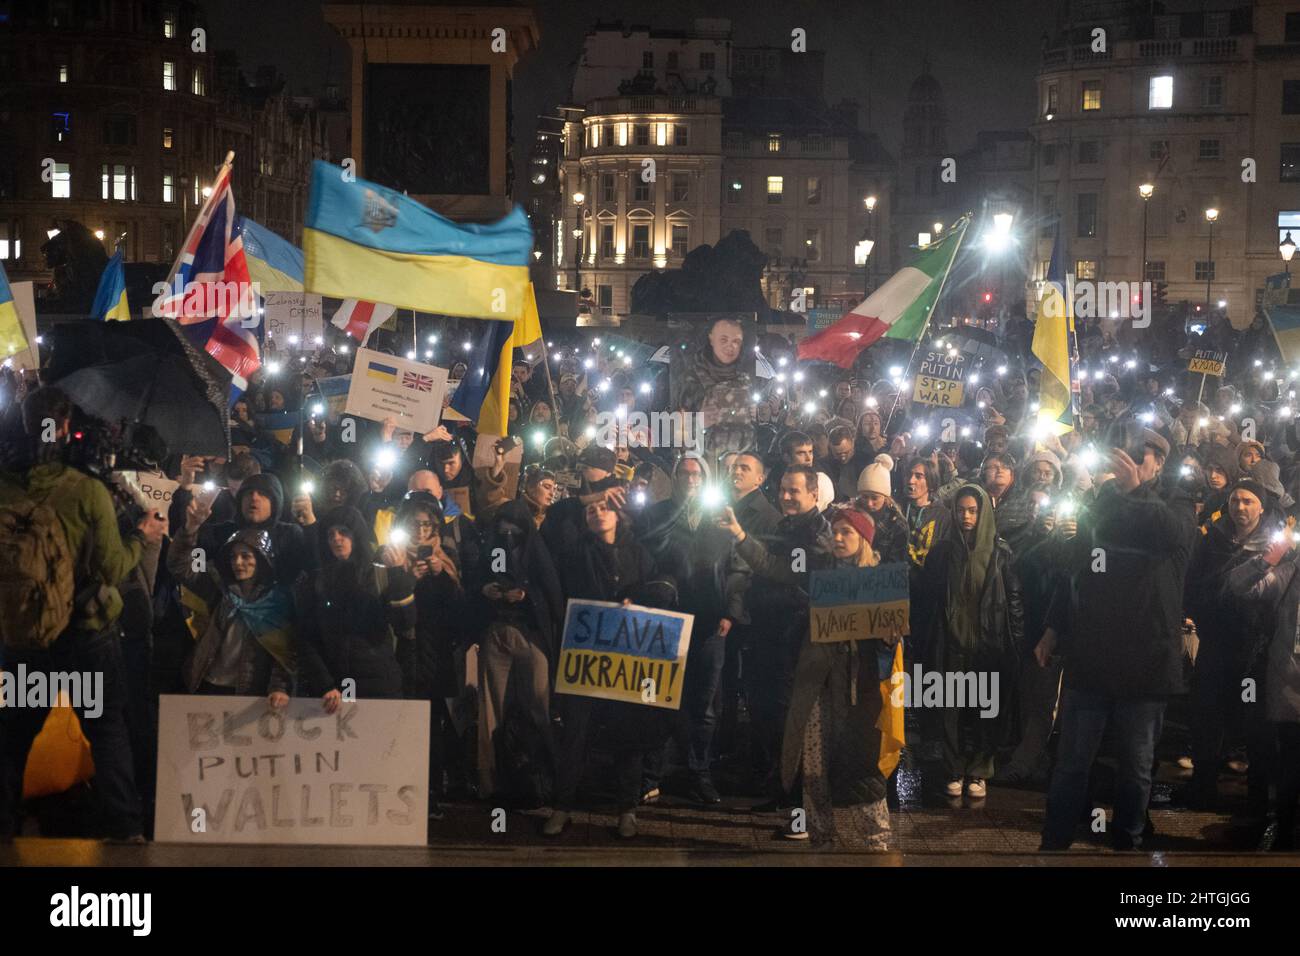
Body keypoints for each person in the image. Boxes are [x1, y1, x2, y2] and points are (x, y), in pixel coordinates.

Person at [0, 386, 167, 843]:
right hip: (85, 636)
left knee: (12, 738)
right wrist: (142, 535)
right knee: (107, 731)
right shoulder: (87, 491)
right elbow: (112, 568)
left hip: (24, 639)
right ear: (69, 430)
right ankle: (125, 832)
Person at [1039, 427, 1196, 851]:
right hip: (1092, 656)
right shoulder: (1102, 503)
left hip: (1146, 660)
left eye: (1140, 458)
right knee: (1073, 762)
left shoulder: (1177, 502)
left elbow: (1173, 535)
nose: (1128, 464)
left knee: (1136, 765)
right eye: (1124, 456)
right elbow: (1076, 571)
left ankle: (1127, 840)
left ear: (1159, 463)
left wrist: (1137, 490)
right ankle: (1054, 841)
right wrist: (1053, 629)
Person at [719, 504, 899, 847]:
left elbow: (891, 645)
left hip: (861, 690)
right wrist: (741, 536)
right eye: (836, 531)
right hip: (817, 682)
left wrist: (891, 635)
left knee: (864, 764)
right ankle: (821, 835)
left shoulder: (882, 580)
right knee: (813, 760)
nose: (840, 537)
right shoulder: (817, 568)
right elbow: (775, 567)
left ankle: (876, 841)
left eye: (848, 532)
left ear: (864, 538)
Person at [545, 498, 664, 838]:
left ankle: (627, 810)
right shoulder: (574, 552)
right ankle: (562, 806)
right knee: (575, 734)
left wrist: (638, 599)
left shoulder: (639, 553)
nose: (597, 513)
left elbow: (660, 587)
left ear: (619, 513)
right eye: (590, 510)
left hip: (627, 660)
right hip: (585, 659)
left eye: (603, 507)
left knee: (628, 736)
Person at [915, 485, 1023, 800]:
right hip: (950, 644)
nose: (966, 516)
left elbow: (1014, 600)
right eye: (961, 510)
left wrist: (1016, 643)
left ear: (983, 513)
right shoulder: (941, 553)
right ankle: (954, 767)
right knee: (950, 710)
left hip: (989, 646)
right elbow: (927, 600)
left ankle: (980, 769)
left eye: (973, 511)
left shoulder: (1000, 553)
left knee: (983, 712)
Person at [738, 464, 834, 800]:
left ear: (814, 494)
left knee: (787, 716)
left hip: (791, 639)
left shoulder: (815, 535)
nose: (786, 497)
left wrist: (741, 539)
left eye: (794, 490)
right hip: (771, 634)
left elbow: (785, 575)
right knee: (766, 712)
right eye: (782, 490)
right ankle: (778, 783)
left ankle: (792, 796)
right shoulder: (788, 526)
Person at [475, 498, 563, 803]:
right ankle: (492, 781)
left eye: (514, 529)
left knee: (538, 706)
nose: (508, 534)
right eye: (504, 528)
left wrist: (524, 595)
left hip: (529, 635)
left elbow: (550, 592)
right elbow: (478, 580)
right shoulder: (493, 548)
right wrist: (486, 591)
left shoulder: (535, 551)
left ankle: (545, 777)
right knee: (491, 710)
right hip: (497, 631)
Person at [168, 495, 294, 704]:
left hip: (247, 695)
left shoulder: (275, 603)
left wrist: (279, 688)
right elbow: (180, 567)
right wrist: (190, 530)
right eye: (233, 556)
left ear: (261, 560)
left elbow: (282, 653)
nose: (238, 562)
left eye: (246, 556)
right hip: (207, 684)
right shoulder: (218, 587)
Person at [294, 506, 415, 708]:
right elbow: (308, 637)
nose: (337, 538)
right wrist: (326, 685)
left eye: (344, 531)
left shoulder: (381, 575)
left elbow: (405, 624)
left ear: (356, 535)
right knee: (350, 731)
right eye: (330, 534)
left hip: (382, 680)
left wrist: (397, 574)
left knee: (383, 738)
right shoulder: (319, 582)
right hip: (346, 683)